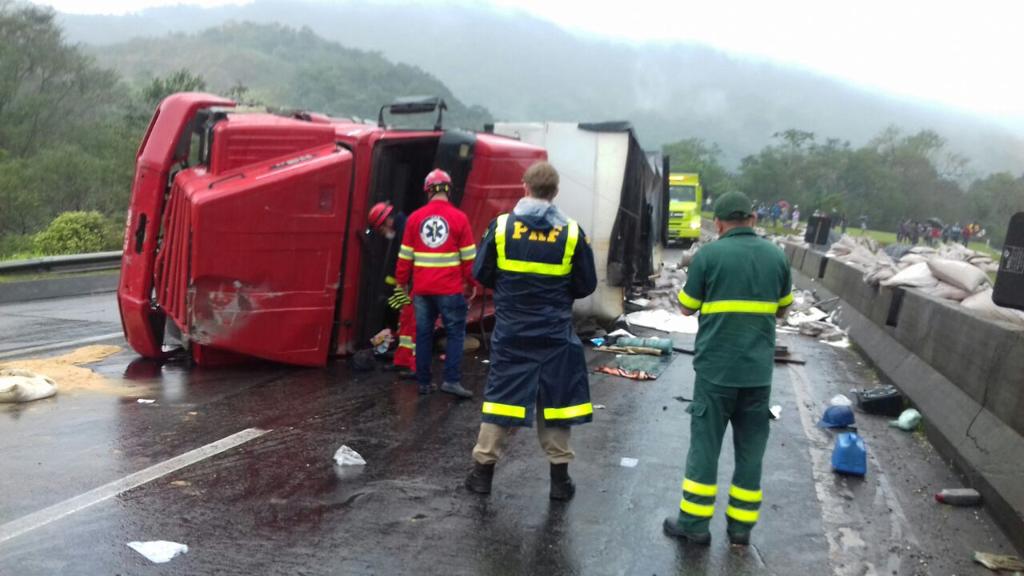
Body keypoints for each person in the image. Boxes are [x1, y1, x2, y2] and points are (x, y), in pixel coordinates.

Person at [663, 191, 792, 547]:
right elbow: (782, 309)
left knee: (705, 447)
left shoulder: (709, 255)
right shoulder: (777, 256)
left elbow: (687, 308)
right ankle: (740, 530)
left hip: (716, 372)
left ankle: (694, 525)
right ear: (752, 219)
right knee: (751, 452)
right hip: (757, 374)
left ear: (718, 223)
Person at [464, 161, 597, 501]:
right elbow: (586, 284)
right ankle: (559, 482)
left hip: (512, 332)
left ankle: (482, 475)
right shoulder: (571, 232)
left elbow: (481, 273)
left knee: (501, 401)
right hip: (555, 334)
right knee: (555, 404)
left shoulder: (501, 227)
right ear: (555, 192)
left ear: (525, 187)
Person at [395, 169, 478, 397]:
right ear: (448, 190)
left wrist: (402, 285)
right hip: (450, 290)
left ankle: (423, 382)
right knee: (455, 334)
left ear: (427, 190)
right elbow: (469, 259)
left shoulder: (414, 218)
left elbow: (404, 258)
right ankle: (451, 381)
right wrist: (472, 283)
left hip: (421, 290)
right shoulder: (459, 218)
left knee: (423, 334)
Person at [367, 202, 418, 378]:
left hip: (416, 283)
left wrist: (401, 288)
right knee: (405, 320)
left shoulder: (404, 230)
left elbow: (407, 261)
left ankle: (413, 365)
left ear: (386, 221)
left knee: (412, 323)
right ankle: (402, 360)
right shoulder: (401, 228)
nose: (381, 233)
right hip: (411, 283)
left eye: (380, 229)